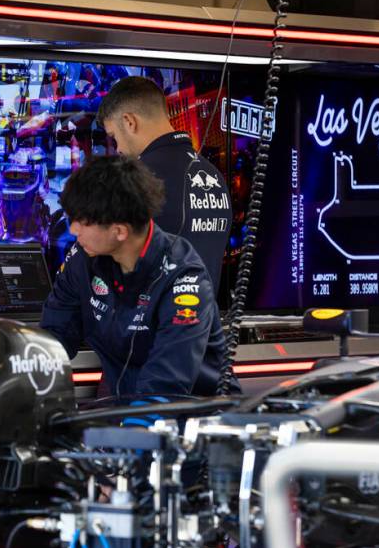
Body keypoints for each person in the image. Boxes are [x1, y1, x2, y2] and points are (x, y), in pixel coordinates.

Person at [40, 155, 237, 397]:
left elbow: (167, 381)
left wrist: (132, 428)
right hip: (128, 412)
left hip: (197, 419)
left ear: (119, 231)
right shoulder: (83, 262)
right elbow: (53, 337)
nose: (73, 230)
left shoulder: (184, 276)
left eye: (82, 222)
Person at [96, 76, 231, 291]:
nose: (118, 148)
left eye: (114, 136)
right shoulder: (214, 175)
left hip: (152, 321)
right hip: (202, 319)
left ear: (130, 122)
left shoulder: (136, 179)